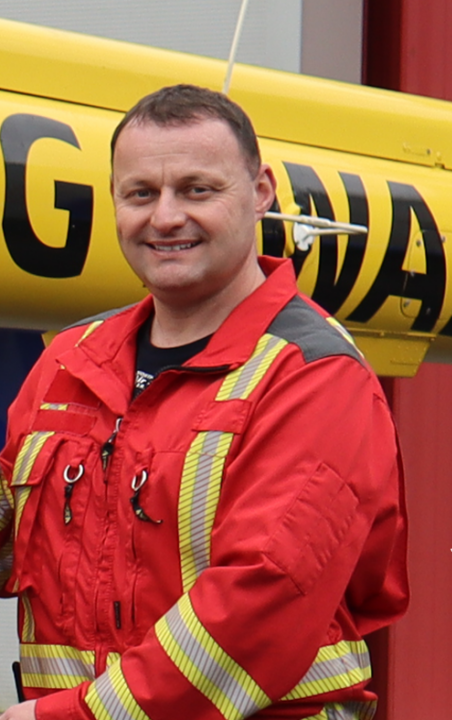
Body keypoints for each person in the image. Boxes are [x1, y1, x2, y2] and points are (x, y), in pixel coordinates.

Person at [0, 84, 408, 720]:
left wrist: (73, 716)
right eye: (141, 194)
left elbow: (260, 603)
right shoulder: (70, 363)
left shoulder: (313, 377)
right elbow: (14, 537)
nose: (164, 218)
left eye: (197, 189)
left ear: (261, 192)